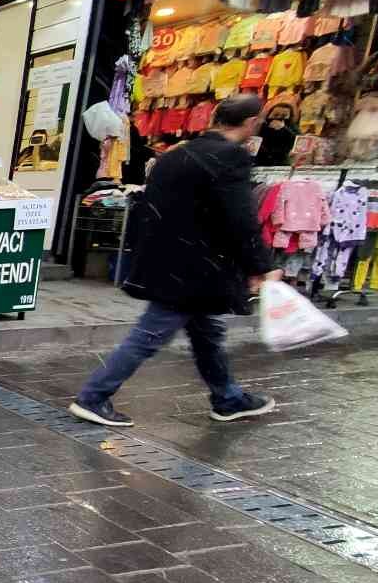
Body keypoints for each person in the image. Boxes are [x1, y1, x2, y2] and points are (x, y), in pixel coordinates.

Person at [70, 94, 282, 427]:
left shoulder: (177, 154)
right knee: (149, 335)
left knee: (207, 333)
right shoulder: (229, 158)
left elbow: (149, 209)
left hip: (171, 261)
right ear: (252, 122)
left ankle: (228, 398)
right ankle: (94, 396)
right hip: (195, 269)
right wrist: (262, 265)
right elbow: (241, 218)